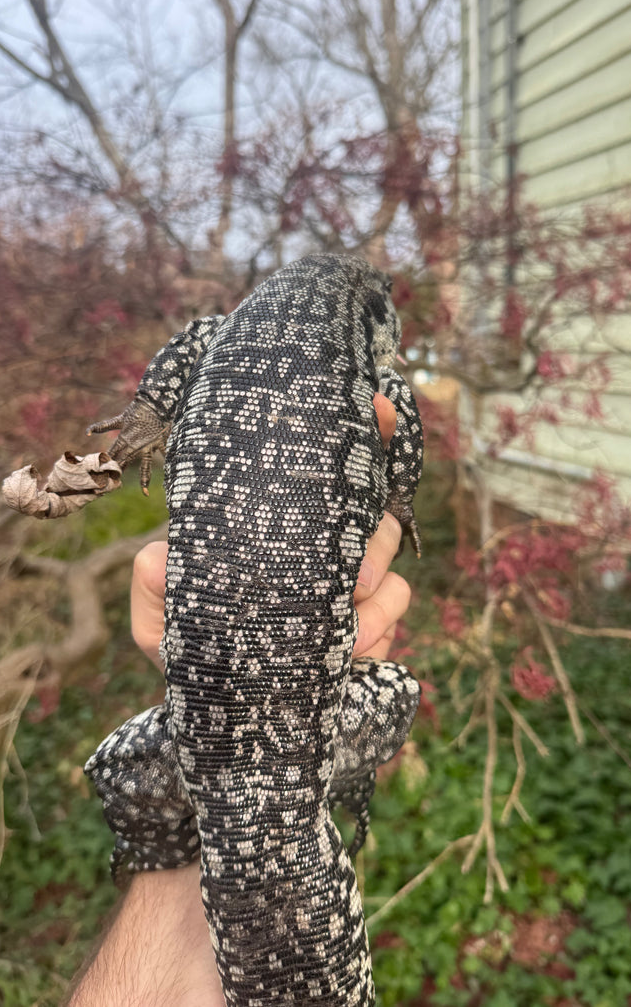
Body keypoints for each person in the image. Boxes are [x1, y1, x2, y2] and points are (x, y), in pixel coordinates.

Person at [68, 396, 413, 1007]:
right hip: (282, 755)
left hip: (244, 756)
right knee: (396, 688)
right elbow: (396, 696)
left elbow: (126, 766)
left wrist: (206, 718)